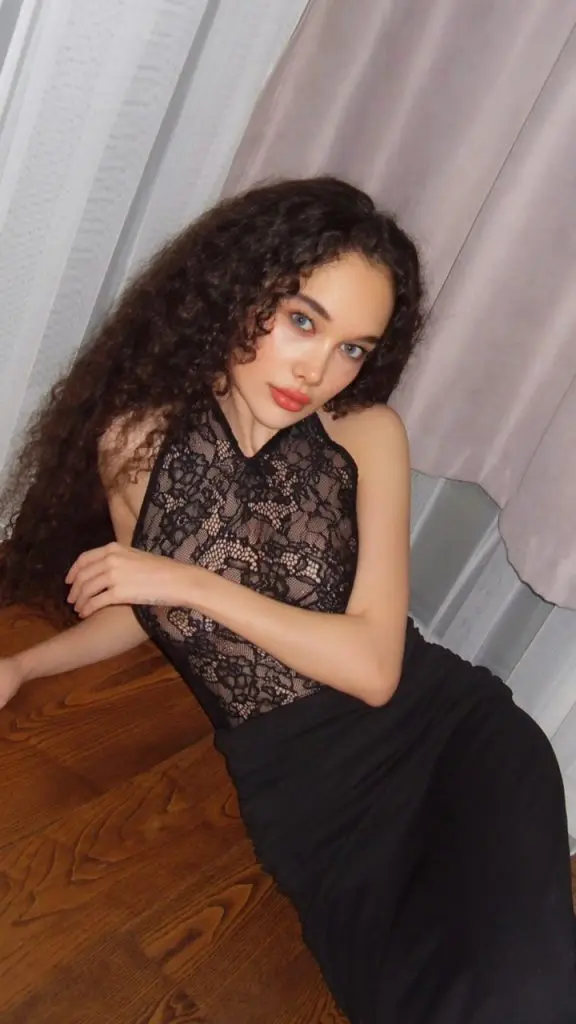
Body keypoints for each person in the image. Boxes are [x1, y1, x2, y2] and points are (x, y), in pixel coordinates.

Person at [0, 176, 574, 1023]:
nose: (319, 369)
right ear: (238, 290)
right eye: (304, 320)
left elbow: (374, 668)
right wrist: (22, 666)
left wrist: (185, 577)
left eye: (353, 348)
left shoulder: (366, 436)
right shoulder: (136, 443)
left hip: (449, 737)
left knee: (529, 990)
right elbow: (149, 611)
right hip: (311, 799)